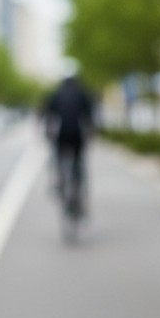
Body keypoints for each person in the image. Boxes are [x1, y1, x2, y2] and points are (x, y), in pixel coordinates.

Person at [43, 68, 94, 218]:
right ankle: (77, 190)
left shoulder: (55, 93)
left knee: (57, 157)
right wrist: (90, 132)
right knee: (78, 162)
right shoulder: (82, 93)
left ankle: (60, 181)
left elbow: (48, 115)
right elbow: (89, 116)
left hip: (61, 134)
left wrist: (47, 132)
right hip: (77, 134)